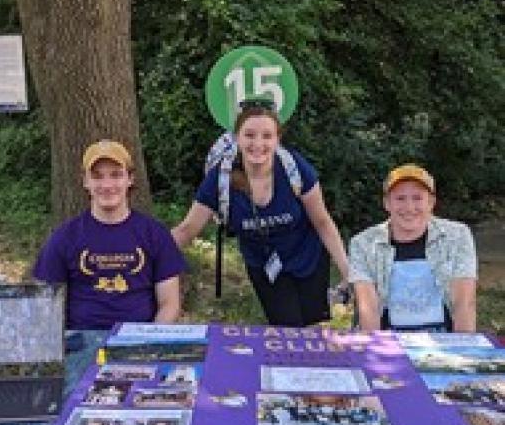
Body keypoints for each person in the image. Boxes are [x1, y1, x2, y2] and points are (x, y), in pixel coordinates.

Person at [172, 101, 348, 327]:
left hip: (308, 258)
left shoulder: (294, 168)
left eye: (267, 136)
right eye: (250, 135)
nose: (258, 143)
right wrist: (147, 254)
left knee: (314, 328)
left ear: (277, 139)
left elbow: (322, 221)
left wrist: (347, 270)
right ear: (237, 137)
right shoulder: (221, 179)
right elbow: (187, 230)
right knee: (288, 329)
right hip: (264, 266)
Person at [33, 140, 187, 330]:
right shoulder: (64, 238)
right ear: (85, 181)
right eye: (97, 176)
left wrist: (150, 339)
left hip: (139, 342)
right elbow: (45, 306)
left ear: (130, 179)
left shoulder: (155, 234)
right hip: (81, 345)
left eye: (116, 175)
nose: (107, 185)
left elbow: (169, 304)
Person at [349, 164, 477, 332]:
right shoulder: (362, 244)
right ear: (386, 203)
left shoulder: (458, 236)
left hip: (446, 339)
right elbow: (368, 309)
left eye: (417, 198)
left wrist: (463, 352)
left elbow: (464, 303)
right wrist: (377, 354)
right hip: (388, 340)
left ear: (431, 202)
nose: (409, 208)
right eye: (400, 198)